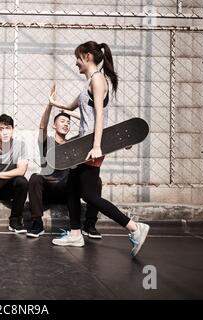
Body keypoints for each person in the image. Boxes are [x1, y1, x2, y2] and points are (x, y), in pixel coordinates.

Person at [48, 41, 149, 257]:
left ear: (87, 57)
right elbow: (73, 107)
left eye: (78, 58)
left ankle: (134, 227)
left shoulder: (98, 80)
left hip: (90, 147)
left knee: (90, 195)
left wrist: (96, 146)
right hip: (81, 145)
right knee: (72, 189)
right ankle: (76, 234)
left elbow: (100, 116)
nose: (75, 62)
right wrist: (55, 103)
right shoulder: (89, 83)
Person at [27, 105, 103, 239]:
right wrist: (50, 105)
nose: (66, 124)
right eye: (62, 121)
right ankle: (37, 223)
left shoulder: (74, 143)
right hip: (49, 189)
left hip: (69, 190)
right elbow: (42, 126)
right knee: (35, 177)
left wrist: (69, 113)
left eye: (68, 123)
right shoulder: (47, 142)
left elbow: (92, 123)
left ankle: (89, 225)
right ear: (54, 125)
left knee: (96, 181)